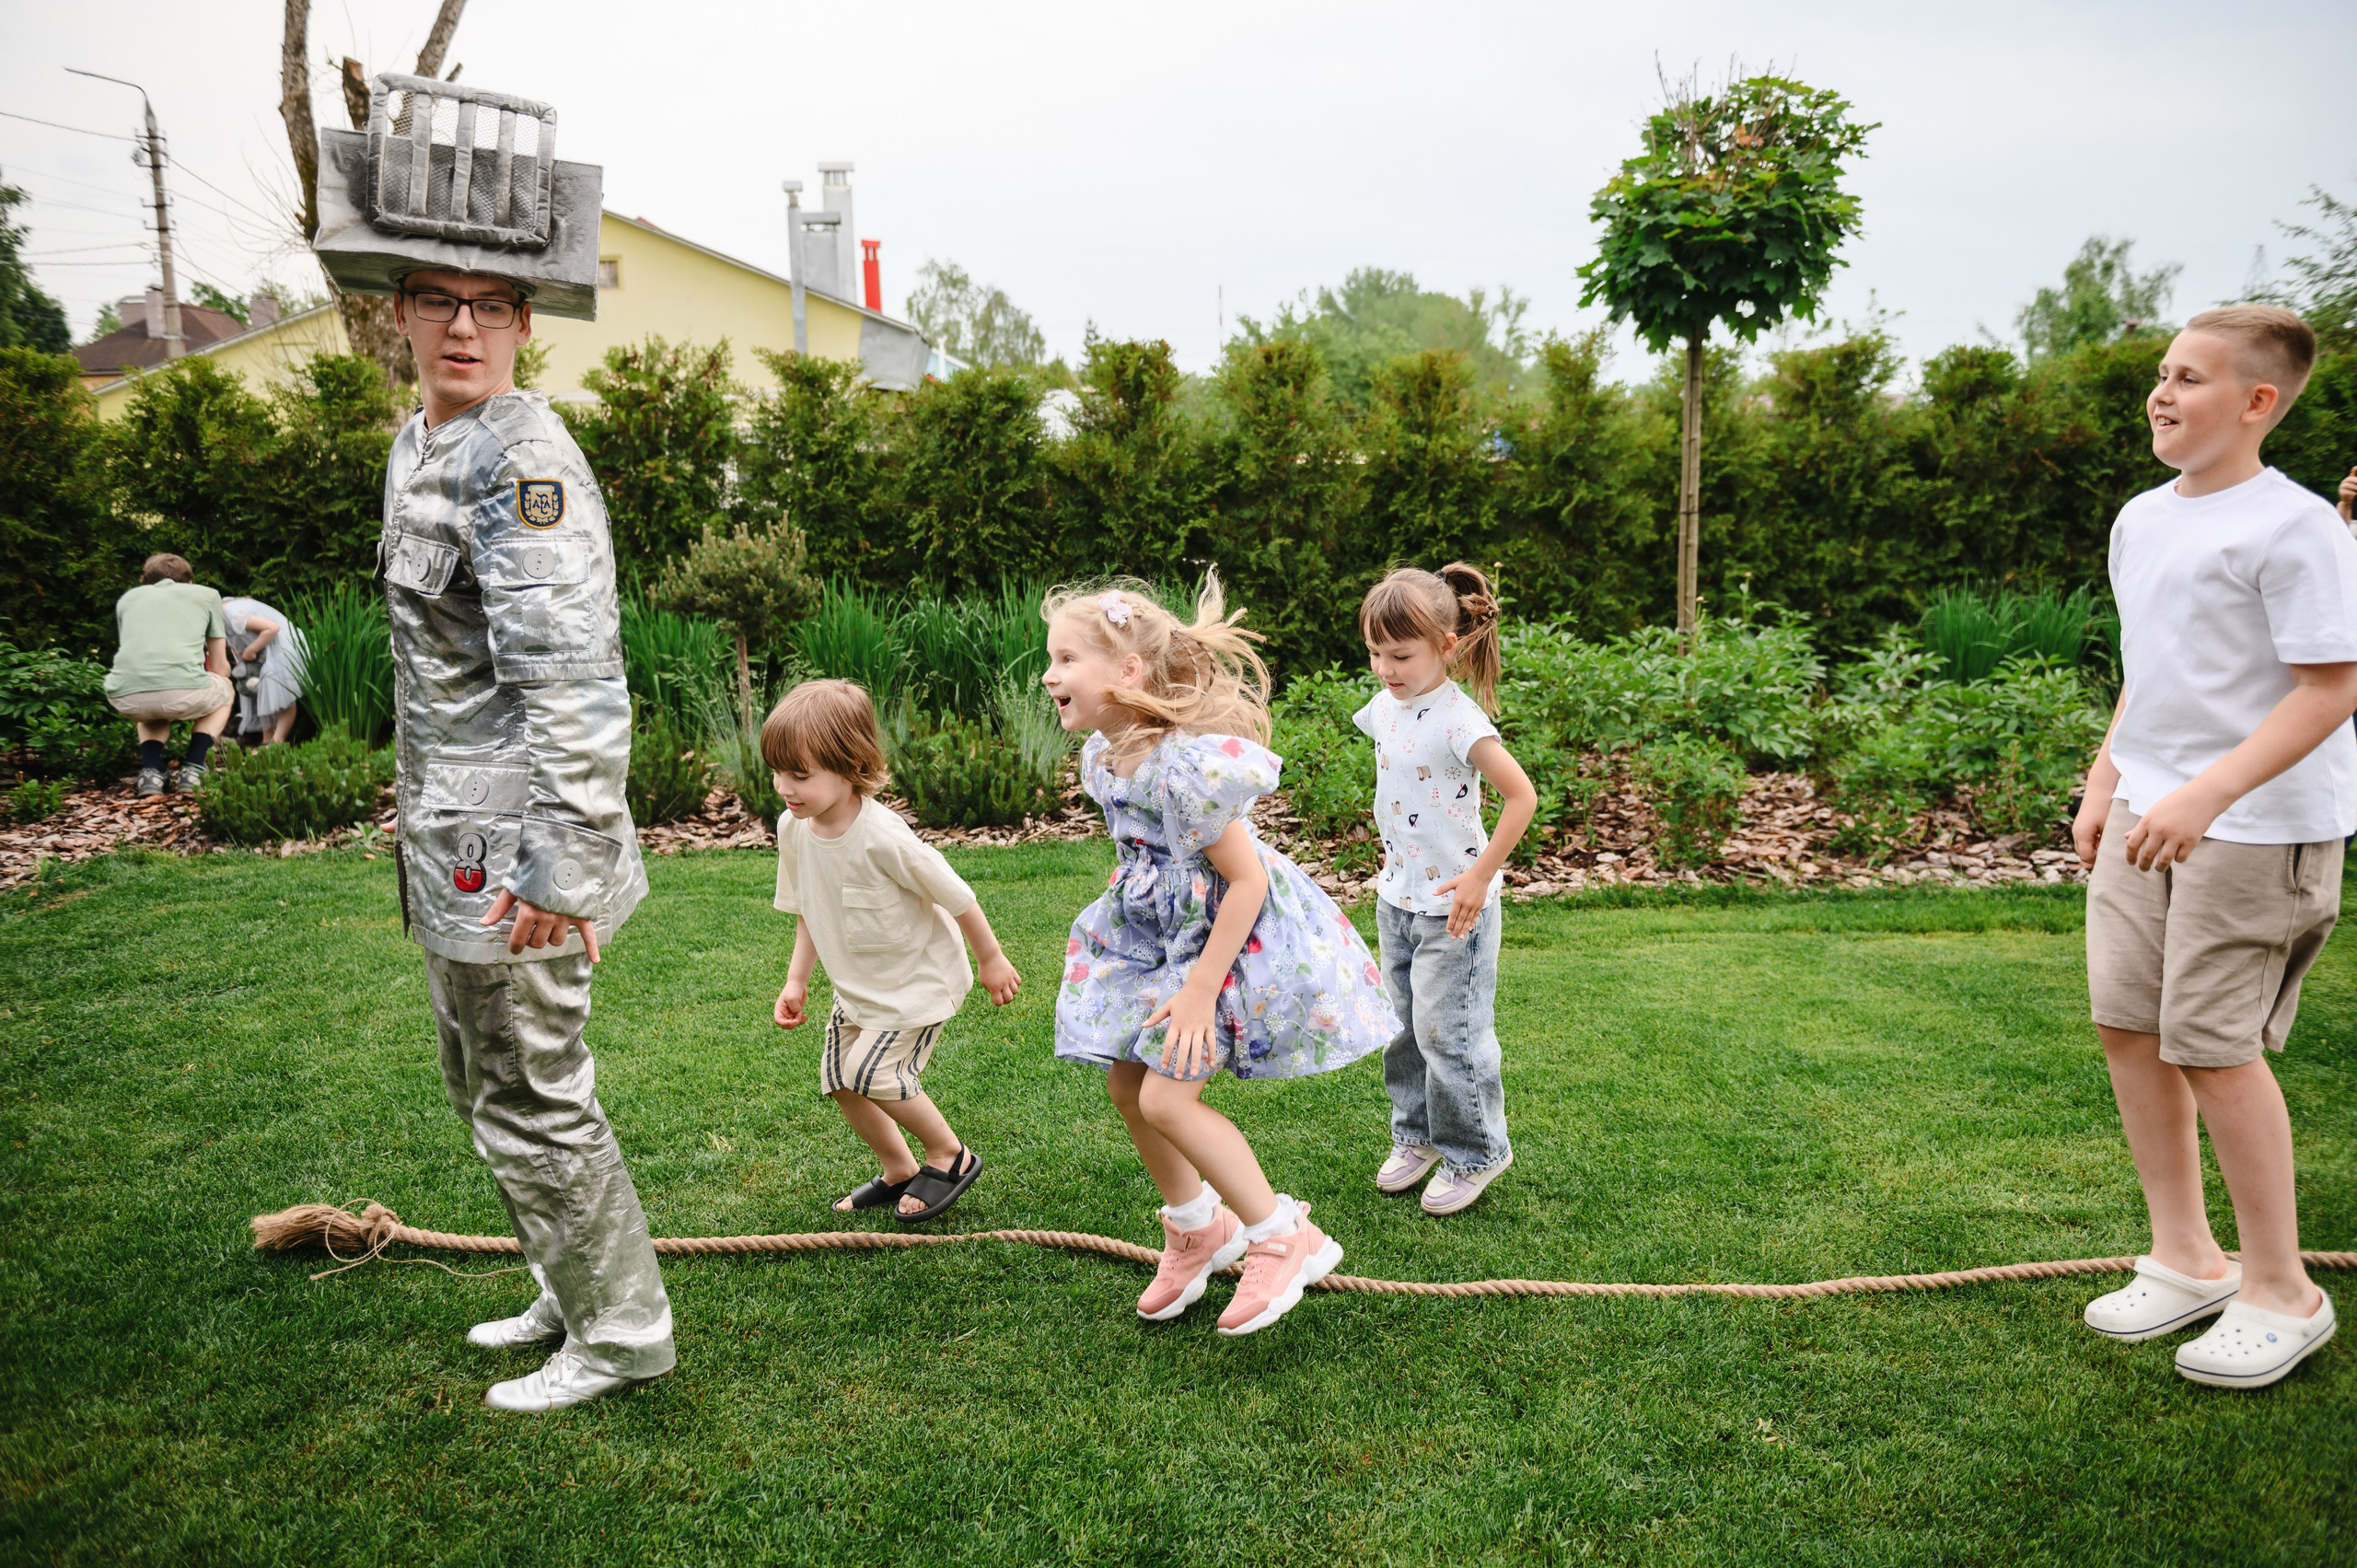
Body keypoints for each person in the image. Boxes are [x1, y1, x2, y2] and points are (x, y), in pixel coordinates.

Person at [373, 264, 674, 1413]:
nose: (462, 325)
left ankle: (623, 1331)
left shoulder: (520, 459)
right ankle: (568, 1280)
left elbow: (578, 685)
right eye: (435, 299)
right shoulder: (421, 446)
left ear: (523, 324)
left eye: (489, 304)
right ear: (395, 313)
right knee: (484, 1080)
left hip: (517, 856)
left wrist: (563, 863)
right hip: (456, 842)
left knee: (534, 1086)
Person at [2073, 305, 2354, 1389]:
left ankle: (2282, 1287)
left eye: (2189, 378)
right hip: (2152, 808)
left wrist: (2207, 792)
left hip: (2256, 825)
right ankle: (2187, 1257)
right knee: (2128, 1025)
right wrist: (2108, 777)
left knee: (2211, 1044)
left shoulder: (2295, 529)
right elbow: (2155, 667)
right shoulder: (2143, 518)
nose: (2161, 392)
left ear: (2255, 402)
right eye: (2160, 372)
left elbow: (2332, 686)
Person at [1047, 575, 1395, 1335]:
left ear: (1127, 673)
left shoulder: (1184, 771)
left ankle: (1281, 1233)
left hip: (1226, 942)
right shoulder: (1106, 760)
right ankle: (1197, 1224)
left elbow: (1246, 879)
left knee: (1169, 1098)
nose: (1049, 675)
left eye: (1067, 659)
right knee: (1127, 1080)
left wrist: (1202, 988)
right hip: (1156, 937)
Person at [766, 679, 1022, 1220]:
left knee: (876, 1074)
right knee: (841, 1079)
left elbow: (958, 898)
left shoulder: (885, 838)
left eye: (800, 775)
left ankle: (950, 1155)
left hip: (915, 983)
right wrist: (797, 979)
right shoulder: (794, 828)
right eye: (778, 772)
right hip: (858, 985)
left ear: (849, 764)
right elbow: (808, 907)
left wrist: (991, 958)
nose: (783, 787)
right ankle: (899, 1168)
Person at [1354, 564, 1538, 1214]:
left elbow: (1522, 797)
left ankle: (1477, 1150)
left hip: (1455, 908)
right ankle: (1418, 1137)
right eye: (1376, 652)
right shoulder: (1384, 707)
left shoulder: (1461, 722)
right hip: (1397, 898)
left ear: (1446, 647)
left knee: (1448, 1031)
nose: (1385, 667)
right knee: (1401, 1026)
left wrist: (1481, 873)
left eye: (1400, 654)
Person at [102, 553, 235, 796]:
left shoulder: (128, 599)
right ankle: (194, 767)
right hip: (183, 692)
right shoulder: (206, 595)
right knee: (225, 689)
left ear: (145, 581)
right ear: (190, 582)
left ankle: (151, 772)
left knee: (150, 694)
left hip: (126, 696)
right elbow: (219, 666)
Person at [220, 596, 306, 746]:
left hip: (281, 651)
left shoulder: (233, 615)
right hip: (265, 655)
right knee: (263, 695)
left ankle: (277, 742)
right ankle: (267, 740)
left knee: (285, 699)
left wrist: (252, 649)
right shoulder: (222, 614)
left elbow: (272, 628)